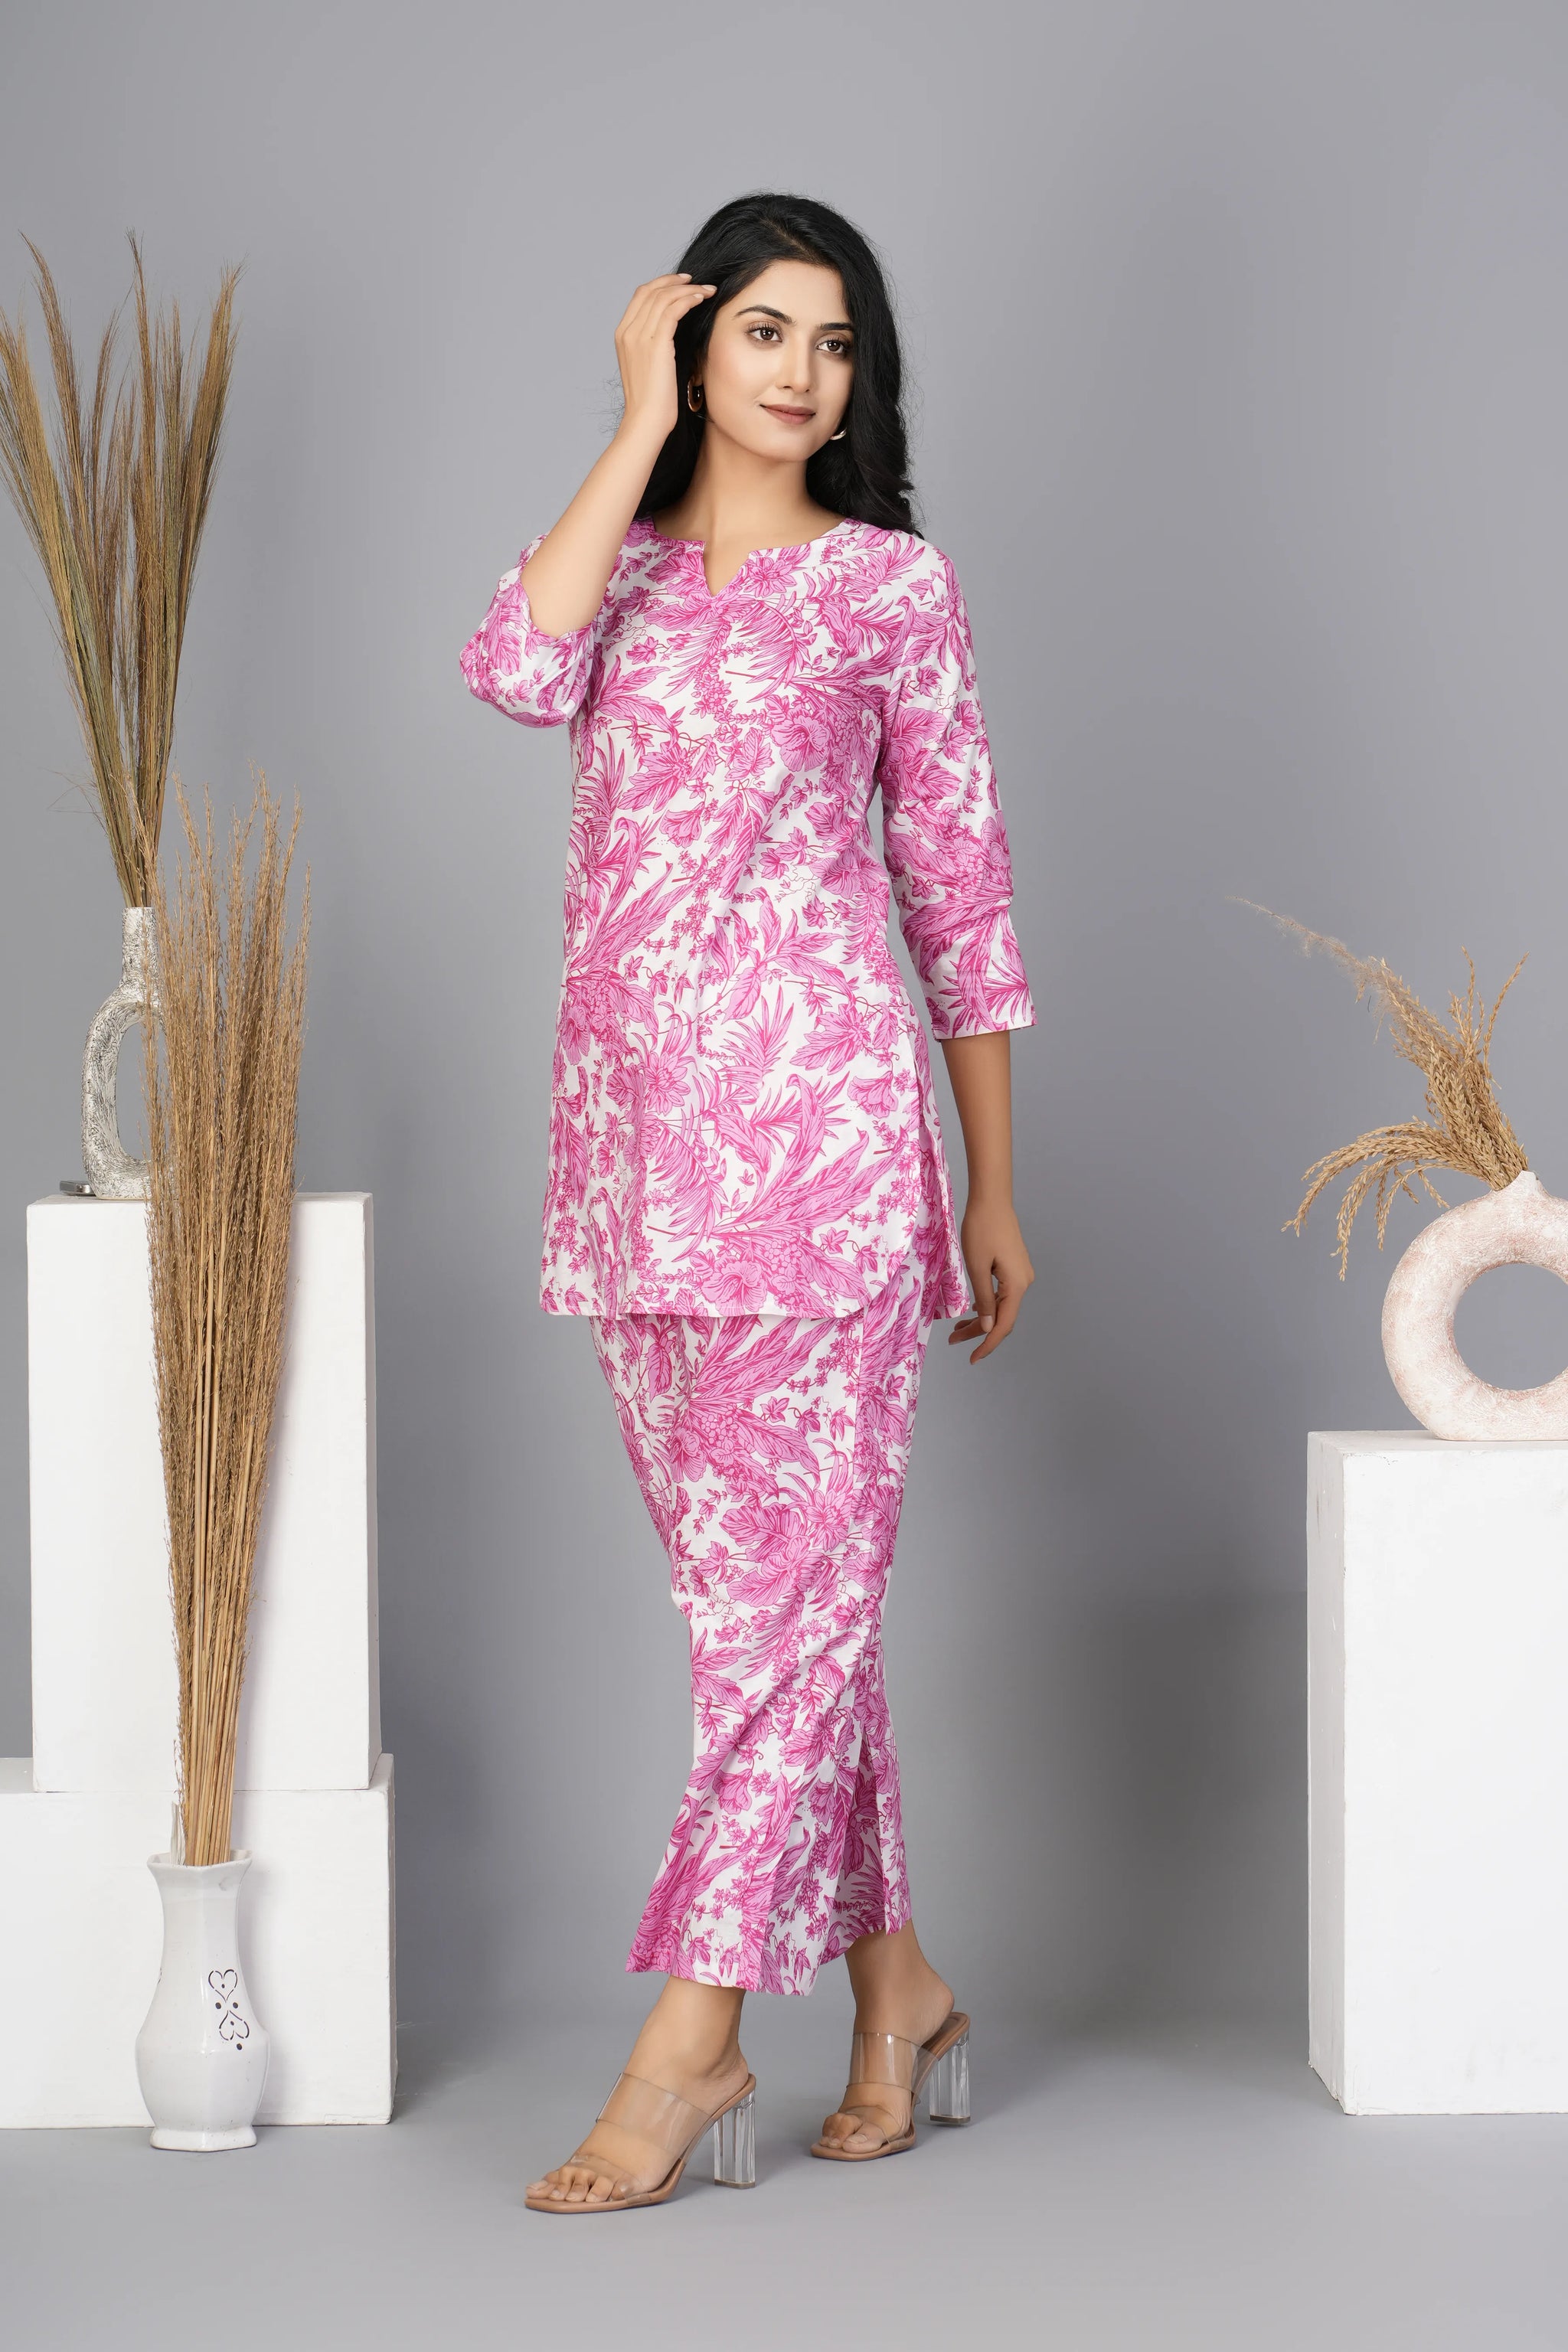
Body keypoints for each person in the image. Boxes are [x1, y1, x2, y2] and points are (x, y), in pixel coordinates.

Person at [459, 191, 1037, 2214]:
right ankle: (905, 1996)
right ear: (695, 340)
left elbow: (961, 892)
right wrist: (633, 423)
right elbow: (508, 671)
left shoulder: (890, 589)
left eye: (838, 341)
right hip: (631, 1177)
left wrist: (992, 1184)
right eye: (766, 331)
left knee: (786, 1626)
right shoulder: (613, 575)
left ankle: (688, 2046)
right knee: (774, 1625)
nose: (804, 372)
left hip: (829, 1165)